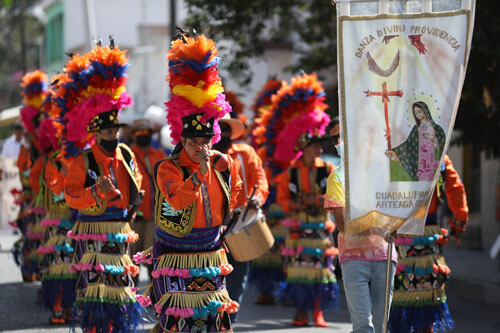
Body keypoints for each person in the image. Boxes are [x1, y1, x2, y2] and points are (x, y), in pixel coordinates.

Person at [134, 32, 242, 333]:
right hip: (176, 250)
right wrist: (199, 175)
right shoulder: (166, 167)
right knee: (178, 316)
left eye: (206, 140)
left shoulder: (224, 162)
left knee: (211, 316)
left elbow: (234, 193)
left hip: (211, 249)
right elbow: (178, 201)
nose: (201, 146)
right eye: (195, 141)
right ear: (182, 139)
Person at [62, 42, 144, 332]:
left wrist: (135, 203)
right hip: (93, 230)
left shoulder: (127, 154)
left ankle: (118, 327)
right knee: (96, 288)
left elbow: (138, 183)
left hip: (120, 230)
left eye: (116, 131)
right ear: (96, 133)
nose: (114, 135)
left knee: (120, 286)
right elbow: (71, 196)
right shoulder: (83, 160)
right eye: (108, 132)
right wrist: (96, 191)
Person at [275, 73, 338, 328]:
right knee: (299, 271)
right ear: (305, 148)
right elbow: (282, 197)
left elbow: (336, 195)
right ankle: (300, 312)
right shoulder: (291, 171)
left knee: (322, 271)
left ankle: (317, 312)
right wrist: (295, 205)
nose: (320, 150)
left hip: (321, 226)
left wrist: (321, 200)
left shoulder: (328, 169)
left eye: (320, 146)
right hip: (300, 226)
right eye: (315, 146)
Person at [325, 120, 397, 333]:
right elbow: (342, 224)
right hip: (353, 258)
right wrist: (377, 228)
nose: (338, 142)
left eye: (342, 136)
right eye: (333, 139)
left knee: (382, 325)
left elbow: (397, 209)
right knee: (363, 326)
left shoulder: (383, 173)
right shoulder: (336, 178)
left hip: (385, 256)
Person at [388, 154, 468, 333]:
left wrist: (459, 218)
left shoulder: (439, 158)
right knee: (403, 289)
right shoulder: (395, 152)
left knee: (428, 288)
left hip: (424, 232)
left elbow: (455, 188)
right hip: (403, 232)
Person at [213, 113, 269, 321]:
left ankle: (229, 320)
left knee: (237, 276)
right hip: (211, 226)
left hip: (240, 224)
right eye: (220, 129)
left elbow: (260, 181)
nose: (223, 134)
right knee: (212, 275)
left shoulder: (246, 153)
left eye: (226, 129)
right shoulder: (203, 156)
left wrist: (257, 197)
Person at [130, 118, 167, 284]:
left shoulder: (159, 156)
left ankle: (153, 297)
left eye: (146, 132)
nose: (143, 135)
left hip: (153, 217)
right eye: (139, 132)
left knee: (153, 260)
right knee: (131, 261)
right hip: (132, 217)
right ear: (133, 135)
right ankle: (131, 298)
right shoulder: (126, 155)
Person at [385, 101, 446, 182]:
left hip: (430, 159)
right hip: (420, 160)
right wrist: (395, 152)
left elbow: (440, 146)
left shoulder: (436, 128)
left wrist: (432, 138)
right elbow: (408, 145)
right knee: (421, 181)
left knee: (428, 183)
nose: (418, 114)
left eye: (419, 111)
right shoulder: (416, 129)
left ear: (425, 111)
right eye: (416, 113)